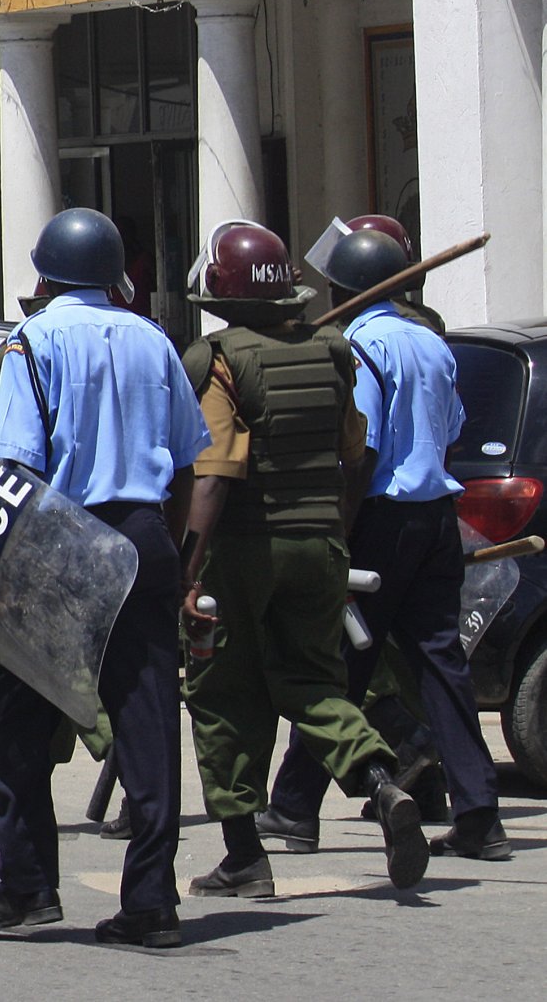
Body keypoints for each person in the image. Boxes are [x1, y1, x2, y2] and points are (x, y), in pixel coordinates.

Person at [0, 207, 202, 948]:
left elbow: (19, 470)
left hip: (61, 539)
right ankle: (152, 900)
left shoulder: (32, 343)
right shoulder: (155, 339)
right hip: (142, 537)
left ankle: (29, 885)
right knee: (148, 722)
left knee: (11, 717)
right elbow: (189, 460)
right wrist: (174, 554)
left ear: (43, 275)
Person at [177, 222, 428, 895]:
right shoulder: (331, 351)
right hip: (321, 544)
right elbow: (354, 458)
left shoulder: (220, 358)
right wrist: (335, 535)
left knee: (222, 693)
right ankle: (379, 785)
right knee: (315, 683)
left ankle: (243, 857)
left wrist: (188, 571)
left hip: (244, 549)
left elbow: (214, 475)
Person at [258, 231, 508, 862]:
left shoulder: (360, 346)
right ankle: (480, 813)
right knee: (440, 665)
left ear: (344, 289)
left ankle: (292, 808)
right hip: (434, 519)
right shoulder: (430, 342)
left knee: (335, 663)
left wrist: (341, 531)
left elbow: (360, 452)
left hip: (382, 519)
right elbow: (449, 427)